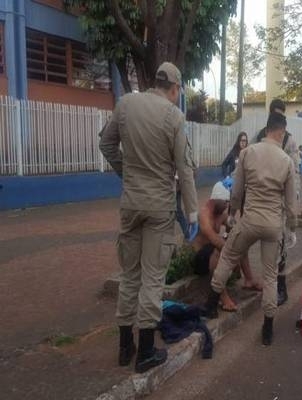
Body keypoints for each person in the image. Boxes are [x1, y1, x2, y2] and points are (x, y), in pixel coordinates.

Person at [99, 62, 198, 373]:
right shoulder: (173, 116)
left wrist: (125, 173)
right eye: (178, 90)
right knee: (152, 278)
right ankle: (144, 353)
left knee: (130, 275)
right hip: (158, 207)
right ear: (174, 88)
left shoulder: (126, 103)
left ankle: (124, 347)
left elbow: (106, 143)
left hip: (130, 203)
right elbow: (184, 169)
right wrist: (192, 210)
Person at [202, 112, 298, 346]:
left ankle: (211, 305)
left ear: (266, 131)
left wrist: (233, 214)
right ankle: (267, 329)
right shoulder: (287, 161)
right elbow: (290, 204)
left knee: (227, 257)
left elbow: (236, 191)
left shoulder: (247, 153)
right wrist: (291, 229)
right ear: (282, 132)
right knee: (270, 276)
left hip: (250, 220)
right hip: (273, 225)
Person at [255, 99, 300, 306]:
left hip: (281, 202)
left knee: (281, 246)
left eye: (282, 113)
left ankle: (280, 288)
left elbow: (295, 174)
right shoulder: (259, 137)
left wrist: (293, 203)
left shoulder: (289, 140)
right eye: (276, 113)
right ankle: (268, 285)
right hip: (261, 200)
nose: (279, 117)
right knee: (265, 246)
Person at [192, 181, 262, 312]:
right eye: (225, 203)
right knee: (217, 253)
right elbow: (213, 238)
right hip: (201, 258)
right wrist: (232, 257)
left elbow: (234, 228)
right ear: (216, 200)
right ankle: (223, 298)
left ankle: (249, 280)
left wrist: (237, 237)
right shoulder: (204, 215)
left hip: (214, 251)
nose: (226, 206)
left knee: (239, 242)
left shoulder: (220, 213)